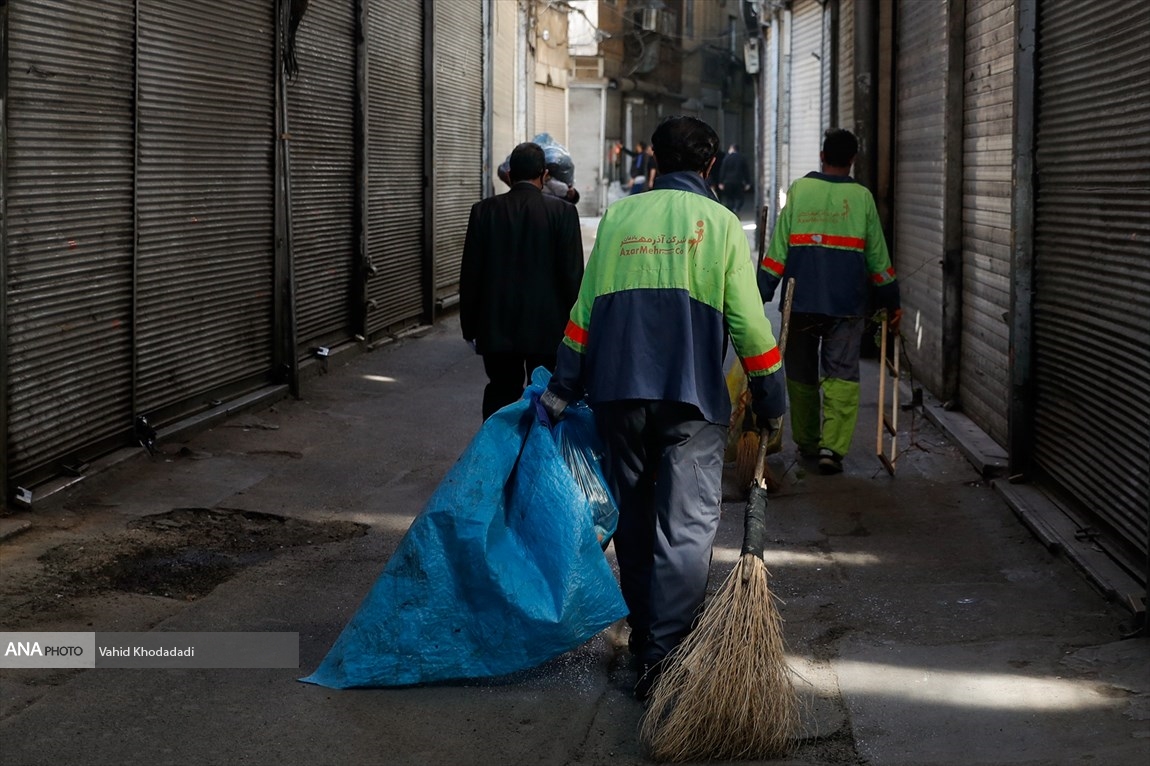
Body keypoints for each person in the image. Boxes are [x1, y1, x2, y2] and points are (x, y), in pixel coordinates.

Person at [541, 116, 787, 701]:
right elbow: (751, 326)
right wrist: (770, 401)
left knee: (632, 516)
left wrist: (562, 386)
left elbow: (586, 310)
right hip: (693, 401)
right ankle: (665, 660)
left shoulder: (621, 216)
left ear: (654, 161)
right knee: (686, 530)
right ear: (709, 169)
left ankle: (646, 632)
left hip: (617, 396)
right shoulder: (724, 225)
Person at [757, 128, 902, 475]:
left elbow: (777, 251)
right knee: (841, 375)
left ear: (822, 156)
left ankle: (807, 442)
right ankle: (831, 449)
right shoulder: (862, 198)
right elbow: (878, 259)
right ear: (852, 161)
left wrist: (761, 291)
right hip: (846, 303)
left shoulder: (800, 190)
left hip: (800, 301)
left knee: (801, 375)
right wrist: (890, 300)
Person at [460, 142, 585, 420]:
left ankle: (496, 455)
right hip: (548, 328)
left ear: (510, 174)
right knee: (545, 396)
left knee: (501, 393)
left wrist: (469, 326)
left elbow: (471, 273)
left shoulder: (483, 211)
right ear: (544, 174)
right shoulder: (562, 213)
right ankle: (537, 457)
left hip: (496, 326)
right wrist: (578, 330)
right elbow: (572, 276)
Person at [717, 143, 752, 213]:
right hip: (738, 182)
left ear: (732, 149)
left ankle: (731, 211)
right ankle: (736, 209)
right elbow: (746, 171)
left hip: (727, 182)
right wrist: (748, 182)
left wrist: (720, 182)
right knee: (739, 198)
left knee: (729, 199)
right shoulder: (742, 158)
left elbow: (722, 170)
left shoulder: (726, 158)